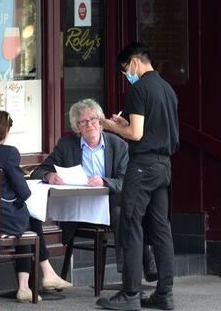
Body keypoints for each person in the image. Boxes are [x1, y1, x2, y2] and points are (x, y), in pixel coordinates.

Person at [30, 99, 157, 279]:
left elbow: (126, 181)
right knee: (128, 212)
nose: (89, 124)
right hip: (80, 209)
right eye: (83, 121)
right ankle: (145, 259)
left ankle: (127, 269)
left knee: (124, 211)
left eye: (93, 119)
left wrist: (105, 182)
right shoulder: (66, 146)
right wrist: (49, 176)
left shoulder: (118, 145)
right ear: (77, 127)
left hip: (110, 206)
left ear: (101, 121)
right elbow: (38, 171)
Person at [0, 110, 72, 303]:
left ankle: (29, 285)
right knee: (29, 217)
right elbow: (24, 192)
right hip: (0, 223)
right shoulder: (9, 153)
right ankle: (40, 276)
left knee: (24, 216)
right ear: (6, 131)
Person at [98, 42, 177, 311]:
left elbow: (137, 134)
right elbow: (146, 127)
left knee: (132, 224)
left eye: (125, 69)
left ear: (134, 62)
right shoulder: (167, 89)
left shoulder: (139, 88)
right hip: (164, 165)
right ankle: (165, 293)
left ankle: (130, 293)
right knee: (161, 228)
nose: (125, 74)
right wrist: (125, 126)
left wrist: (111, 126)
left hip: (142, 165)